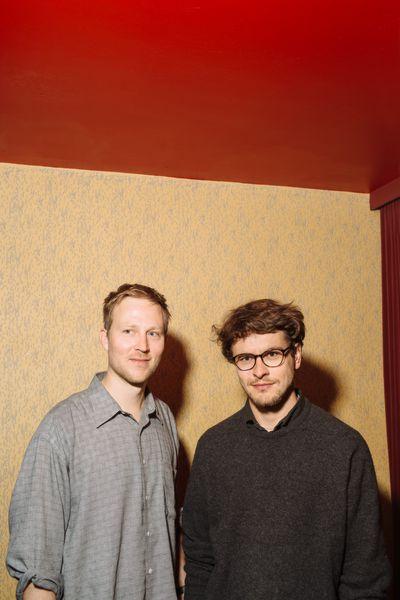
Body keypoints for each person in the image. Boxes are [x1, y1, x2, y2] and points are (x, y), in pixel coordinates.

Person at [182, 299, 391, 600]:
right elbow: (200, 562)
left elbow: (365, 578)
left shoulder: (344, 447)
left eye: (272, 354)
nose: (259, 371)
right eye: (245, 358)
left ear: (296, 355)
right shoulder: (213, 446)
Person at [7, 283, 180, 600]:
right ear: (105, 338)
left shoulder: (165, 421)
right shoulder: (62, 428)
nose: (141, 345)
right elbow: (37, 572)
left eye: (153, 333)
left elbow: (168, 536)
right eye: (128, 331)